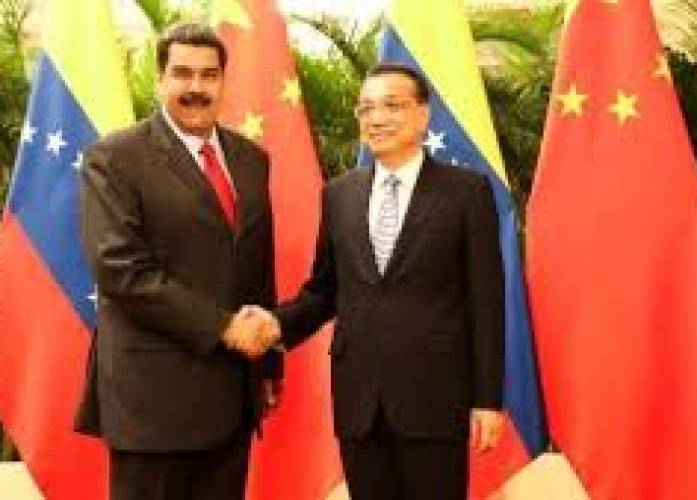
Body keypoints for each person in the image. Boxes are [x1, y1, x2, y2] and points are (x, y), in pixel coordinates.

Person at [242, 63, 506, 500]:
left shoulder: (466, 192)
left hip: (434, 398)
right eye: (365, 109)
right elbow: (325, 291)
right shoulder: (339, 194)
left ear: (422, 114)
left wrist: (488, 399)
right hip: (359, 402)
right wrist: (274, 324)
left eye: (391, 106)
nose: (376, 119)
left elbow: (487, 300)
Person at [76, 23, 281, 500]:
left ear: (223, 81)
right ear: (160, 79)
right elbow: (120, 269)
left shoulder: (251, 159)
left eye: (209, 75)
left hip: (232, 398)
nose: (196, 87)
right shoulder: (114, 158)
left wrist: (269, 362)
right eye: (182, 73)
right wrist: (224, 327)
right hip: (153, 405)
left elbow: (256, 265)